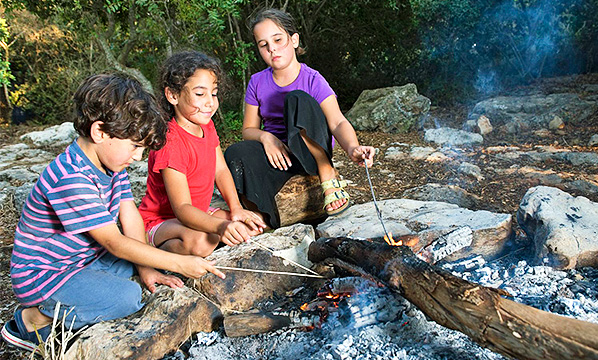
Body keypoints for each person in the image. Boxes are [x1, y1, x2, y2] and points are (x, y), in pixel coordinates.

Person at [1, 73, 226, 354]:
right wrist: (181, 264)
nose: (137, 158)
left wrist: (146, 268)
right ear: (100, 132)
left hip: (84, 260)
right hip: (46, 274)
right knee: (127, 298)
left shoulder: (110, 164)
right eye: (134, 146)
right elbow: (114, 242)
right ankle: (34, 320)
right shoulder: (70, 177)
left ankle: (85, 298)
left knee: (135, 265)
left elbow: (129, 216)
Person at [225, 8, 376, 229]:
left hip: (310, 154)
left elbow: (337, 121)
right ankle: (264, 215)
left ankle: (327, 172)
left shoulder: (313, 79)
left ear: (294, 40)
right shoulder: (257, 82)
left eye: (278, 39)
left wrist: (353, 147)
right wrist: (267, 138)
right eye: (263, 44)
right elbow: (248, 129)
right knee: (234, 152)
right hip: (278, 157)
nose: (272, 48)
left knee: (296, 99)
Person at [138, 51, 266, 257]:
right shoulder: (170, 143)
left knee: (253, 225)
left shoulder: (207, 126)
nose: (210, 102)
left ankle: (218, 231)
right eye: (200, 94)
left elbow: (221, 170)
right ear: (173, 95)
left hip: (199, 212)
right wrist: (218, 227)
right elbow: (181, 208)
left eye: (213, 93)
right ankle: (154, 250)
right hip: (162, 221)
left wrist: (236, 209)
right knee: (201, 242)